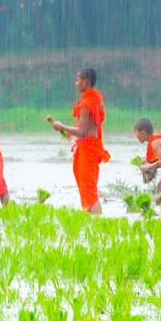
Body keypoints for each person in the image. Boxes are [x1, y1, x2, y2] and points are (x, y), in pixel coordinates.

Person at [48, 68, 108, 214]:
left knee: (90, 191)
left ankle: (98, 225)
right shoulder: (96, 100)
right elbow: (88, 128)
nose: (76, 83)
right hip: (91, 147)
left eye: (77, 80)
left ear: (85, 82)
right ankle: (91, 224)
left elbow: (82, 131)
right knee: (87, 189)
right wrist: (68, 131)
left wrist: (62, 126)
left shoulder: (86, 104)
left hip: (88, 150)